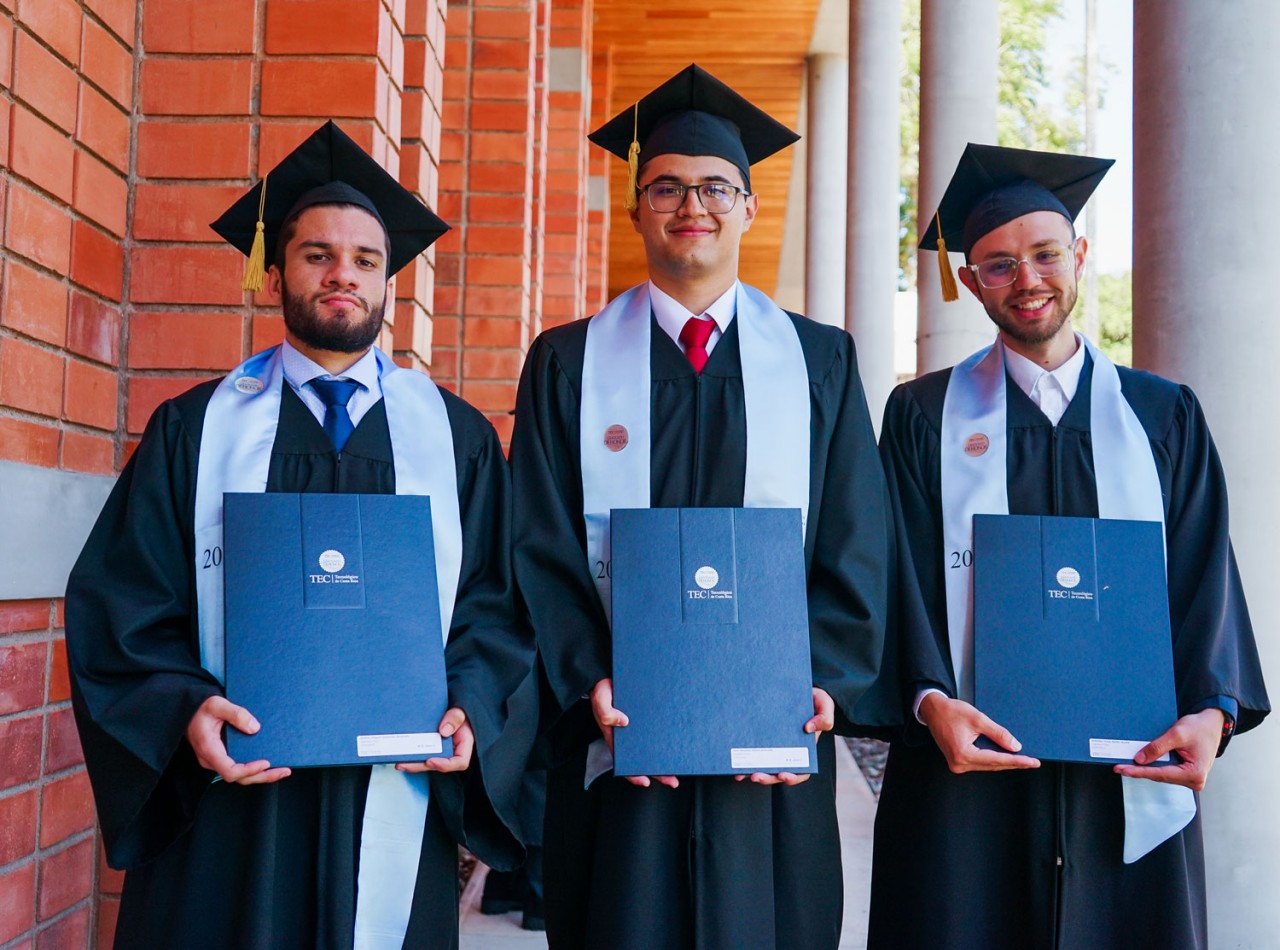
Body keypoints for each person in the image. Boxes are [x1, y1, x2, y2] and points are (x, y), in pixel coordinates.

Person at [65, 121, 536, 950]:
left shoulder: (456, 437)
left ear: (387, 282)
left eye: (365, 259)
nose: (342, 274)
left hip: (394, 788)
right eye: (318, 254)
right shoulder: (194, 429)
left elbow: (499, 604)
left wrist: (472, 704)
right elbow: (124, 599)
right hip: (233, 802)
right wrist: (185, 709)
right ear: (275, 273)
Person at [509, 64, 891, 949]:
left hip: (774, 746)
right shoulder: (567, 361)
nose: (694, 206)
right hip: (621, 736)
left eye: (717, 187)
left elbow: (856, 537)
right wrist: (590, 679)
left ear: (749, 208)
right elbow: (538, 539)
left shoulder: (820, 361)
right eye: (668, 187)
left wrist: (821, 681)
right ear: (638, 208)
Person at [868, 143, 1269, 950]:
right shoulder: (923, 417)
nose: (1028, 280)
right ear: (970, 281)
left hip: (1127, 772)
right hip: (968, 772)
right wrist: (929, 702)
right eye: (999, 265)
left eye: (1046, 255)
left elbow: (1205, 577)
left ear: (1080, 255)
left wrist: (1212, 713)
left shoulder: (1162, 415)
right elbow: (895, 579)